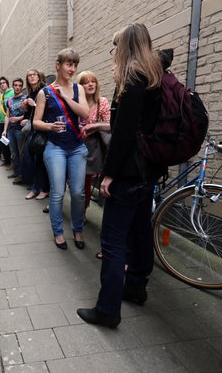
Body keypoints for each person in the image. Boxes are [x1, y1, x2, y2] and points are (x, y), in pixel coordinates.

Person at [77, 23, 165, 328]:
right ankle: (136, 287)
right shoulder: (156, 75)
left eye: (116, 46)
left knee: (113, 240)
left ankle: (108, 310)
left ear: (126, 47)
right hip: (149, 168)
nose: (114, 52)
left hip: (128, 171)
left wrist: (108, 175)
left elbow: (124, 133)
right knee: (140, 231)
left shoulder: (131, 78)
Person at [33, 48, 90, 250]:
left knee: (77, 193)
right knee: (57, 193)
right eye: (68, 64)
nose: (72, 69)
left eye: (75, 65)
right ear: (58, 65)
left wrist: (66, 98)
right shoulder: (45, 93)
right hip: (55, 147)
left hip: (76, 147)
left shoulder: (78, 89)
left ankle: (77, 229)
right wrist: (50, 126)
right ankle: (58, 232)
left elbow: (85, 113)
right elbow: (36, 122)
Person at [76, 70, 111, 259]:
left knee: (86, 182)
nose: (91, 85)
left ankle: (82, 211)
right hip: (76, 145)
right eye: (86, 82)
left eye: (93, 82)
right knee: (76, 182)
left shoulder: (102, 102)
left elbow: (109, 124)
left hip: (94, 147)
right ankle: (79, 209)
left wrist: (93, 126)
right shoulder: (77, 102)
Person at [21, 69, 49, 200]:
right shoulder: (30, 92)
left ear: (39, 76)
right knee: (30, 160)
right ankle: (35, 187)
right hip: (32, 130)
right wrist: (25, 109)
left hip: (42, 130)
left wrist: (35, 104)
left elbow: (48, 108)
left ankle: (43, 189)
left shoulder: (44, 90)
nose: (31, 77)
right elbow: (29, 115)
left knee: (40, 161)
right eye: (29, 75)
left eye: (34, 75)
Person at [2, 78, 26, 182]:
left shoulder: (25, 98)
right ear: (13, 86)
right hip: (11, 130)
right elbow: (7, 116)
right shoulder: (9, 100)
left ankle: (22, 175)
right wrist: (5, 130)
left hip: (20, 129)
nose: (17, 87)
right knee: (14, 152)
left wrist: (17, 118)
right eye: (15, 85)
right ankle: (16, 172)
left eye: (20, 85)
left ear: (22, 87)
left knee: (21, 152)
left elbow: (28, 115)